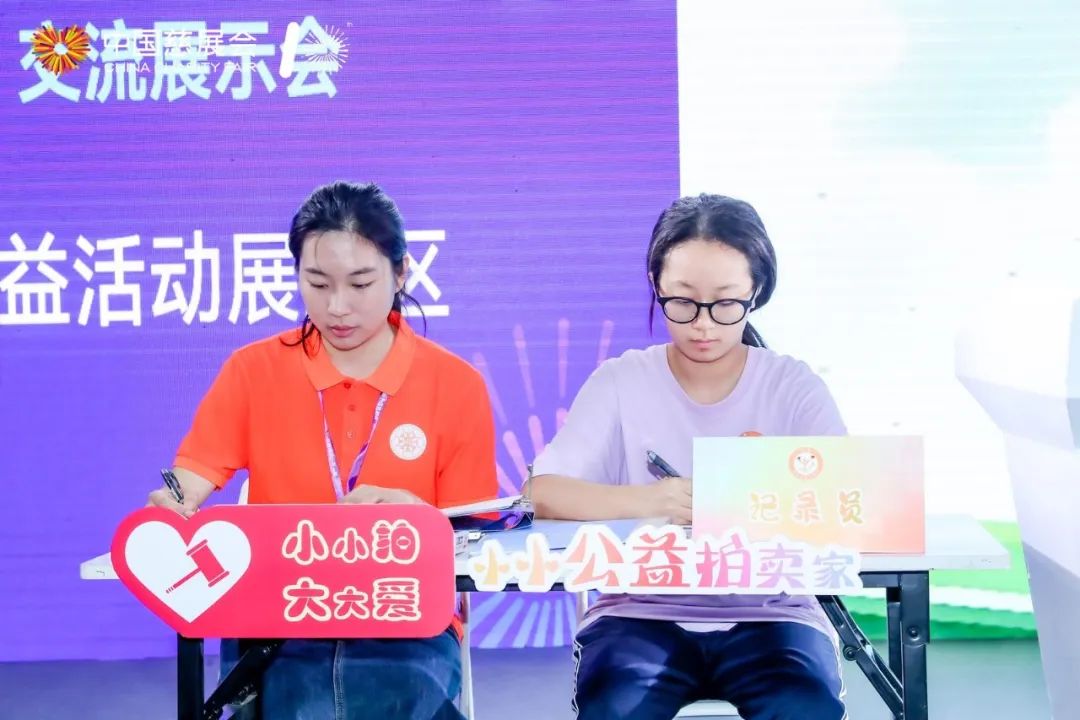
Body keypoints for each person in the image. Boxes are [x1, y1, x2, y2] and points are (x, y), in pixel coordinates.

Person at [147, 181, 497, 720]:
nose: (337, 307)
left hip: (404, 616)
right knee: (296, 701)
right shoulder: (253, 371)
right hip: (278, 617)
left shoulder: (455, 384)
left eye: (360, 283)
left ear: (401, 273)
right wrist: (176, 500)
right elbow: (191, 477)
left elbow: (477, 534)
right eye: (316, 283)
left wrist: (420, 521)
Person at [528, 194, 847, 720]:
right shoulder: (622, 380)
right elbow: (542, 492)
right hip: (639, 613)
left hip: (772, 615)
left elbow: (850, 500)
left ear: (757, 291)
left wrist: (773, 485)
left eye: (725, 303)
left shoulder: (791, 385)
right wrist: (651, 501)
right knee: (615, 709)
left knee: (801, 707)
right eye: (682, 301)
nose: (703, 324)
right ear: (656, 285)